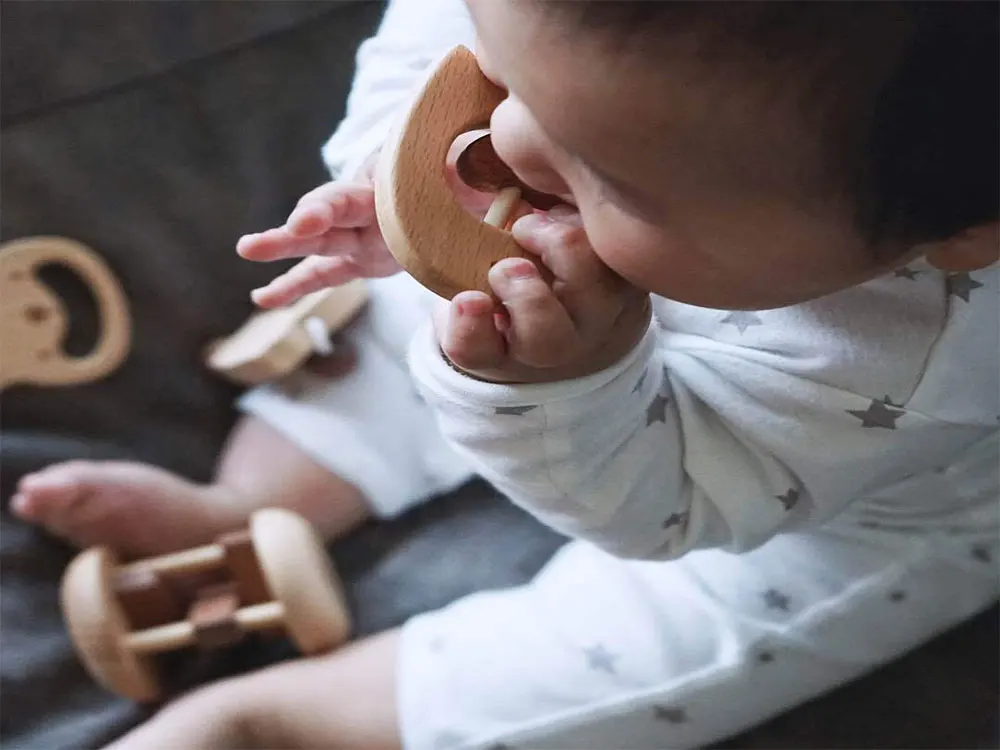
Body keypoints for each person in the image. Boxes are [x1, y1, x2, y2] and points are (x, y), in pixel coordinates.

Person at [14, 1, 999, 748]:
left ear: (959, 233)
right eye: (501, 78)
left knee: (663, 655)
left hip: (831, 506)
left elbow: (662, 506)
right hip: (668, 296)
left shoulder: (903, 370)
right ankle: (248, 506)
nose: (508, 146)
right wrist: (392, 157)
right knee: (445, 302)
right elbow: (434, 34)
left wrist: (560, 387)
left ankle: (281, 721)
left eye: (616, 182)